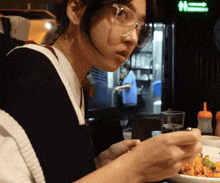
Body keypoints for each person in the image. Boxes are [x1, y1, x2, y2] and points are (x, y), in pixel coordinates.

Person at [0, 0, 202, 183]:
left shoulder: (70, 83)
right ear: (76, 10)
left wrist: (99, 166)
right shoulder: (32, 73)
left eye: (139, 25)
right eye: (122, 14)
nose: (132, 37)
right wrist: (133, 168)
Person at [115, 63, 137, 131]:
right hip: (129, 99)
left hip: (130, 98)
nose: (122, 70)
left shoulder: (130, 74)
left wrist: (119, 87)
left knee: (130, 114)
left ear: (126, 68)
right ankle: (129, 126)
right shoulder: (129, 74)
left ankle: (130, 127)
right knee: (130, 114)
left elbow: (128, 85)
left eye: (123, 68)